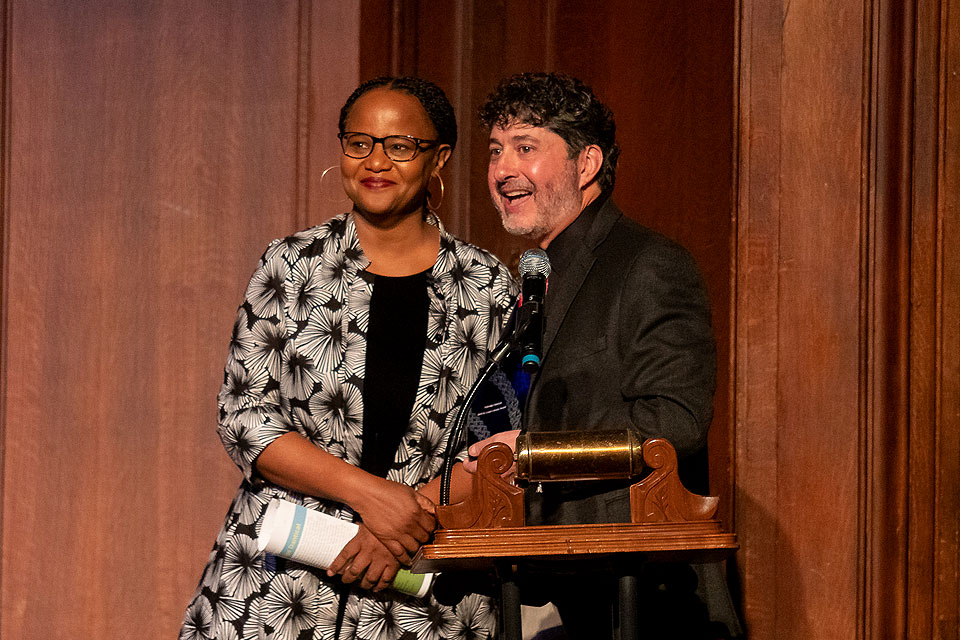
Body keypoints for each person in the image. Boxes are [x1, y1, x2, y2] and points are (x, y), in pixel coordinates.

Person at [178, 76, 517, 640]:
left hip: (424, 591)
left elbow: (501, 442)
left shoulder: (486, 287)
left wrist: (398, 528)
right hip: (276, 592)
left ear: (440, 158)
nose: (375, 161)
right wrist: (374, 499)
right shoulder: (293, 265)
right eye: (358, 143)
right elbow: (244, 419)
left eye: (399, 146)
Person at [469, 72, 742, 639]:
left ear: (586, 164)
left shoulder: (648, 264)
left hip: (643, 595)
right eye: (496, 151)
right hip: (556, 586)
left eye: (525, 147)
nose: (501, 169)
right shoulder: (535, 281)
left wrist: (530, 452)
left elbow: (675, 421)